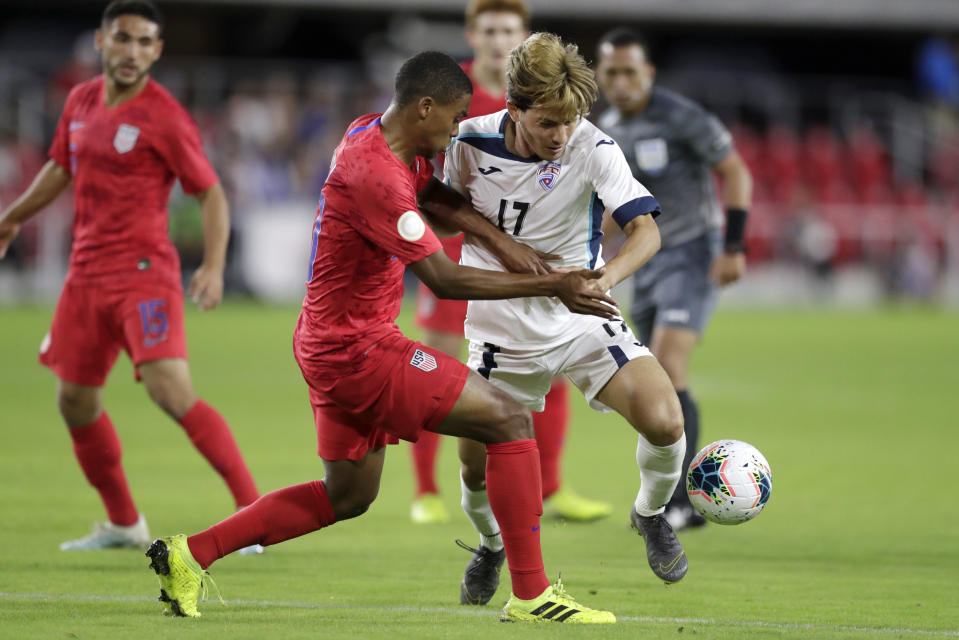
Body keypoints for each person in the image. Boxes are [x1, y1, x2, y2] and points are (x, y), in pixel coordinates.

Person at [145, 50, 617, 624]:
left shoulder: (373, 133)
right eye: (454, 116)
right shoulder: (377, 176)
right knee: (510, 420)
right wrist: (548, 284)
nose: (456, 131)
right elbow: (441, 280)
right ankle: (532, 594)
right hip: (358, 350)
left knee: (349, 496)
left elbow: (434, 196)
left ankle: (189, 554)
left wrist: (499, 240)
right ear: (425, 108)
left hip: (326, 341)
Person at [0, 0, 262, 552]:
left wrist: (213, 267)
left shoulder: (164, 116)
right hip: (84, 276)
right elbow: (60, 166)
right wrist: (14, 216)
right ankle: (124, 523)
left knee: (171, 391)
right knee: (74, 401)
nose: (133, 51)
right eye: (124, 38)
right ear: (101, 41)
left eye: (145, 42)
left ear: (158, 51)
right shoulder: (80, 101)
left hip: (144, 274)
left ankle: (254, 514)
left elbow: (210, 192)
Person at [442, 32, 688, 607]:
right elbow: (440, 203)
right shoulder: (469, 142)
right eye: (548, 123)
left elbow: (646, 231)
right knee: (475, 470)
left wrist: (605, 279)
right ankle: (490, 544)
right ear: (514, 109)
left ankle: (650, 514)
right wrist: (503, 246)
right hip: (501, 328)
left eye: (571, 120)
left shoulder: (594, 147)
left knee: (665, 418)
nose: (561, 136)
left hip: (581, 316)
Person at [410, 0, 612, 528]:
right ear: (472, 35)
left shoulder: (546, 102)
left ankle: (553, 486)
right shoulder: (457, 98)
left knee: (553, 365)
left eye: (509, 30)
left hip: (530, 258)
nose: (500, 40)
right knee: (442, 366)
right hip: (456, 255)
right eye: (490, 30)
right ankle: (427, 490)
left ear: (523, 36)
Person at [595, 28, 754, 530]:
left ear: (649, 74)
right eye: (611, 72)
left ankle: (683, 503)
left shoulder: (682, 116)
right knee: (653, 376)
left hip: (692, 250)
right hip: (648, 259)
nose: (620, 82)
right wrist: (593, 252)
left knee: (668, 361)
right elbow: (616, 205)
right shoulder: (609, 124)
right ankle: (670, 498)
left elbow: (736, 172)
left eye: (629, 72)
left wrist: (733, 245)